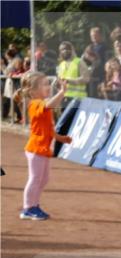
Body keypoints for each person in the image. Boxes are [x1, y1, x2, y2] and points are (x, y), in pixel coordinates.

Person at [17, 71, 72, 220]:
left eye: (48, 83)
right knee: (35, 178)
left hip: (42, 149)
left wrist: (60, 138)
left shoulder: (43, 105)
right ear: (33, 91)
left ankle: (34, 204)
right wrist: (62, 92)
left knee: (44, 179)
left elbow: (49, 129)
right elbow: (49, 104)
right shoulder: (35, 104)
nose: (48, 86)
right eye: (45, 84)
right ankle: (28, 208)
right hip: (35, 149)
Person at [55, 42, 88, 112]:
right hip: (64, 98)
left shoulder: (79, 62)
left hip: (78, 99)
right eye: (62, 50)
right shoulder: (61, 65)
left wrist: (69, 81)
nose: (65, 51)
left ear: (72, 49)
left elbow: (86, 79)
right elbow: (60, 81)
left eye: (67, 49)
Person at [86, 26, 109, 97]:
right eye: (92, 36)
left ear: (100, 35)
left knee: (99, 96)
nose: (93, 37)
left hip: (101, 76)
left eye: (95, 35)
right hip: (91, 76)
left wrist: (91, 58)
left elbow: (104, 61)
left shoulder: (104, 47)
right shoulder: (90, 47)